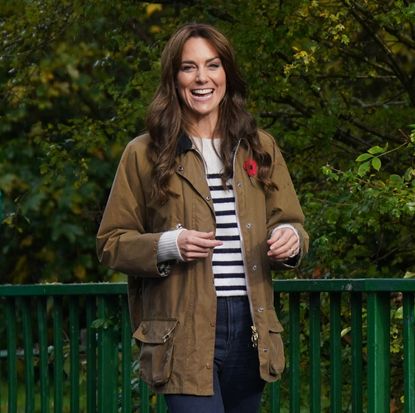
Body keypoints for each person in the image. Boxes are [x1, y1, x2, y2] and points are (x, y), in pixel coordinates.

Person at [96, 23, 309, 413]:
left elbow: (291, 221)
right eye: (188, 67)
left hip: (251, 326)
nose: (202, 78)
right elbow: (111, 243)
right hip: (182, 330)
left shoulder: (260, 146)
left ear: (227, 72)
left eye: (212, 65)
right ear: (173, 78)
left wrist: (291, 238)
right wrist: (168, 245)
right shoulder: (143, 153)